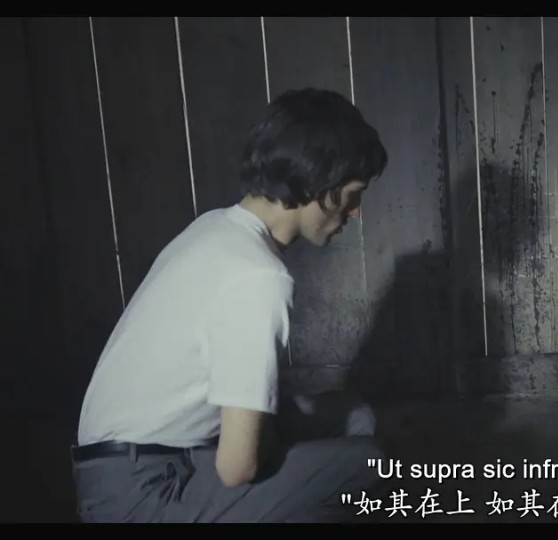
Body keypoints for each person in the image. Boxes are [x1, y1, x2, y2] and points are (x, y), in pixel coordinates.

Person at [70, 88, 389, 523]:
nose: (355, 213)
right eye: (353, 194)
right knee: (368, 463)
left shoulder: (215, 229)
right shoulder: (258, 276)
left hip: (130, 464)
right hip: (142, 490)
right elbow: (236, 468)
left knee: (353, 417)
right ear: (321, 184)